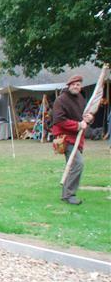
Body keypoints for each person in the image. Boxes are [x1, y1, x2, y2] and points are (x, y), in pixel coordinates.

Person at [52, 75, 93, 205]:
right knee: (78, 163)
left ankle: (66, 195)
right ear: (69, 85)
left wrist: (89, 118)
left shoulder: (80, 98)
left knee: (72, 166)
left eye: (78, 84)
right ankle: (70, 195)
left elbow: (84, 117)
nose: (76, 86)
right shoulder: (61, 100)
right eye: (74, 84)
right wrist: (77, 125)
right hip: (65, 138)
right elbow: (59, 120)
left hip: (77, 138)